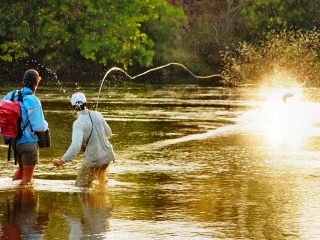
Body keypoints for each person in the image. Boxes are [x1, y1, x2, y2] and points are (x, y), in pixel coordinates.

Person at [52, 92, 115, 187]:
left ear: (73, 107)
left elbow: (75, 146)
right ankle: (102, 200)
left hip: (94, 160)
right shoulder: (98, 115)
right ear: (85, 103)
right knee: (102, 183)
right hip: (107, 157)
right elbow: (108, 132)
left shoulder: (78, 123)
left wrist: (62, 161)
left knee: (81, 187)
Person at [2, 69, 48, 185]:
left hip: (13, 142)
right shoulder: (33, 100)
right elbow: (39, 127)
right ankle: (22, 199)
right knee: (27, 181)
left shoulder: (11, 95)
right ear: (36, 83)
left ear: (24, 81)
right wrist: (46, 124)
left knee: (21, 170)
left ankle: (15, 198)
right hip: (28, 143)